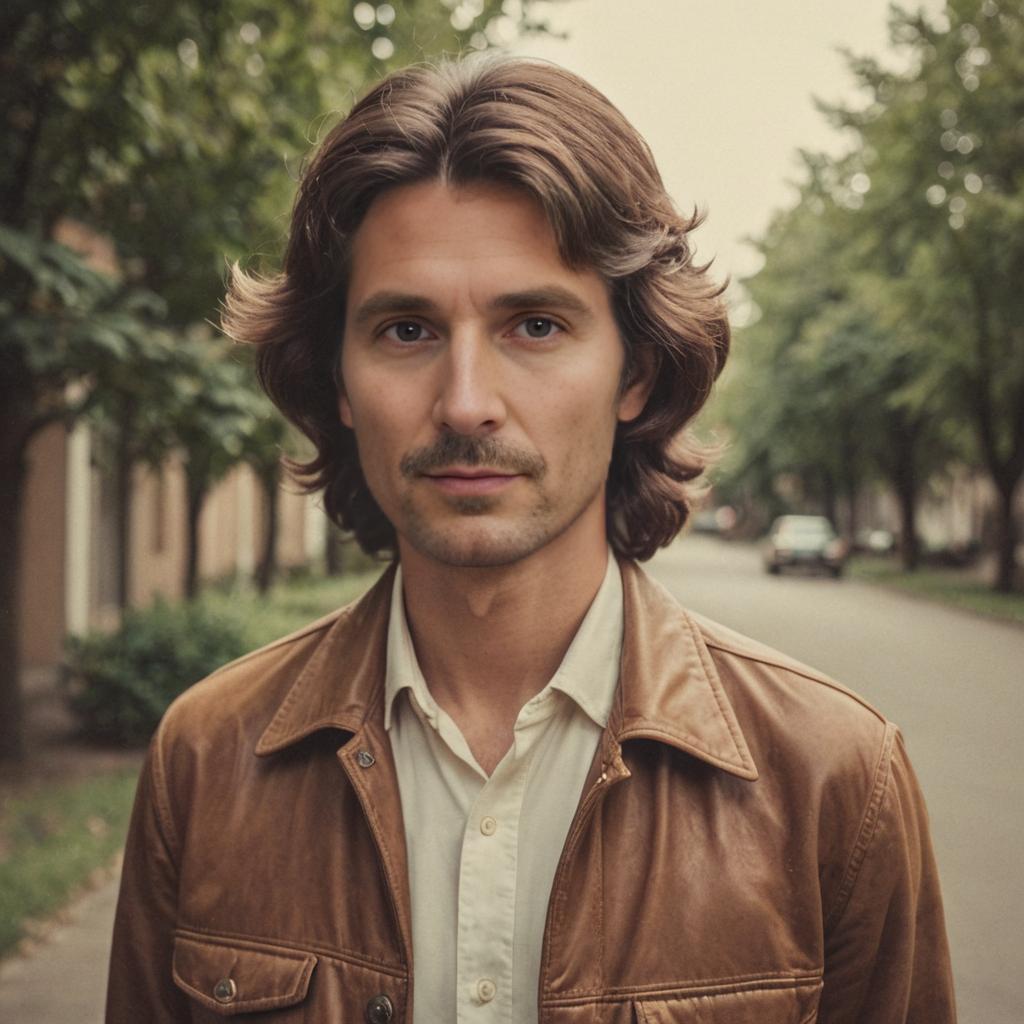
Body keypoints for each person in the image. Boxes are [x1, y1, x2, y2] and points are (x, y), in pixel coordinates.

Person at [106, 57, 955, 1023]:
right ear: (337, 380)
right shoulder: (206, 760)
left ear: (634, 372)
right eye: (406, 330)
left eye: (537, 325)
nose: (466, 403)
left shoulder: (838, 782)